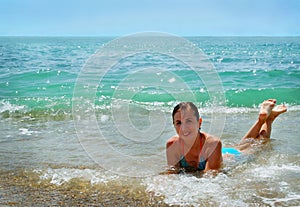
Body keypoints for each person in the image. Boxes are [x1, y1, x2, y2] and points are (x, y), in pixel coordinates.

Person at [166, 99, 287, 173]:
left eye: (189, 121)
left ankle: (268, 120)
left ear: (199, 122)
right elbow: (172, 174)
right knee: (242, 145)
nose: (184, 127)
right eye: (178, 122)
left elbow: (210, 177)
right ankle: (261, 120)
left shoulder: (213, 143)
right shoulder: (172, 145)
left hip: (232, 157)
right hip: (222, 152)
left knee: (258, 145)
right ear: (174, 125)